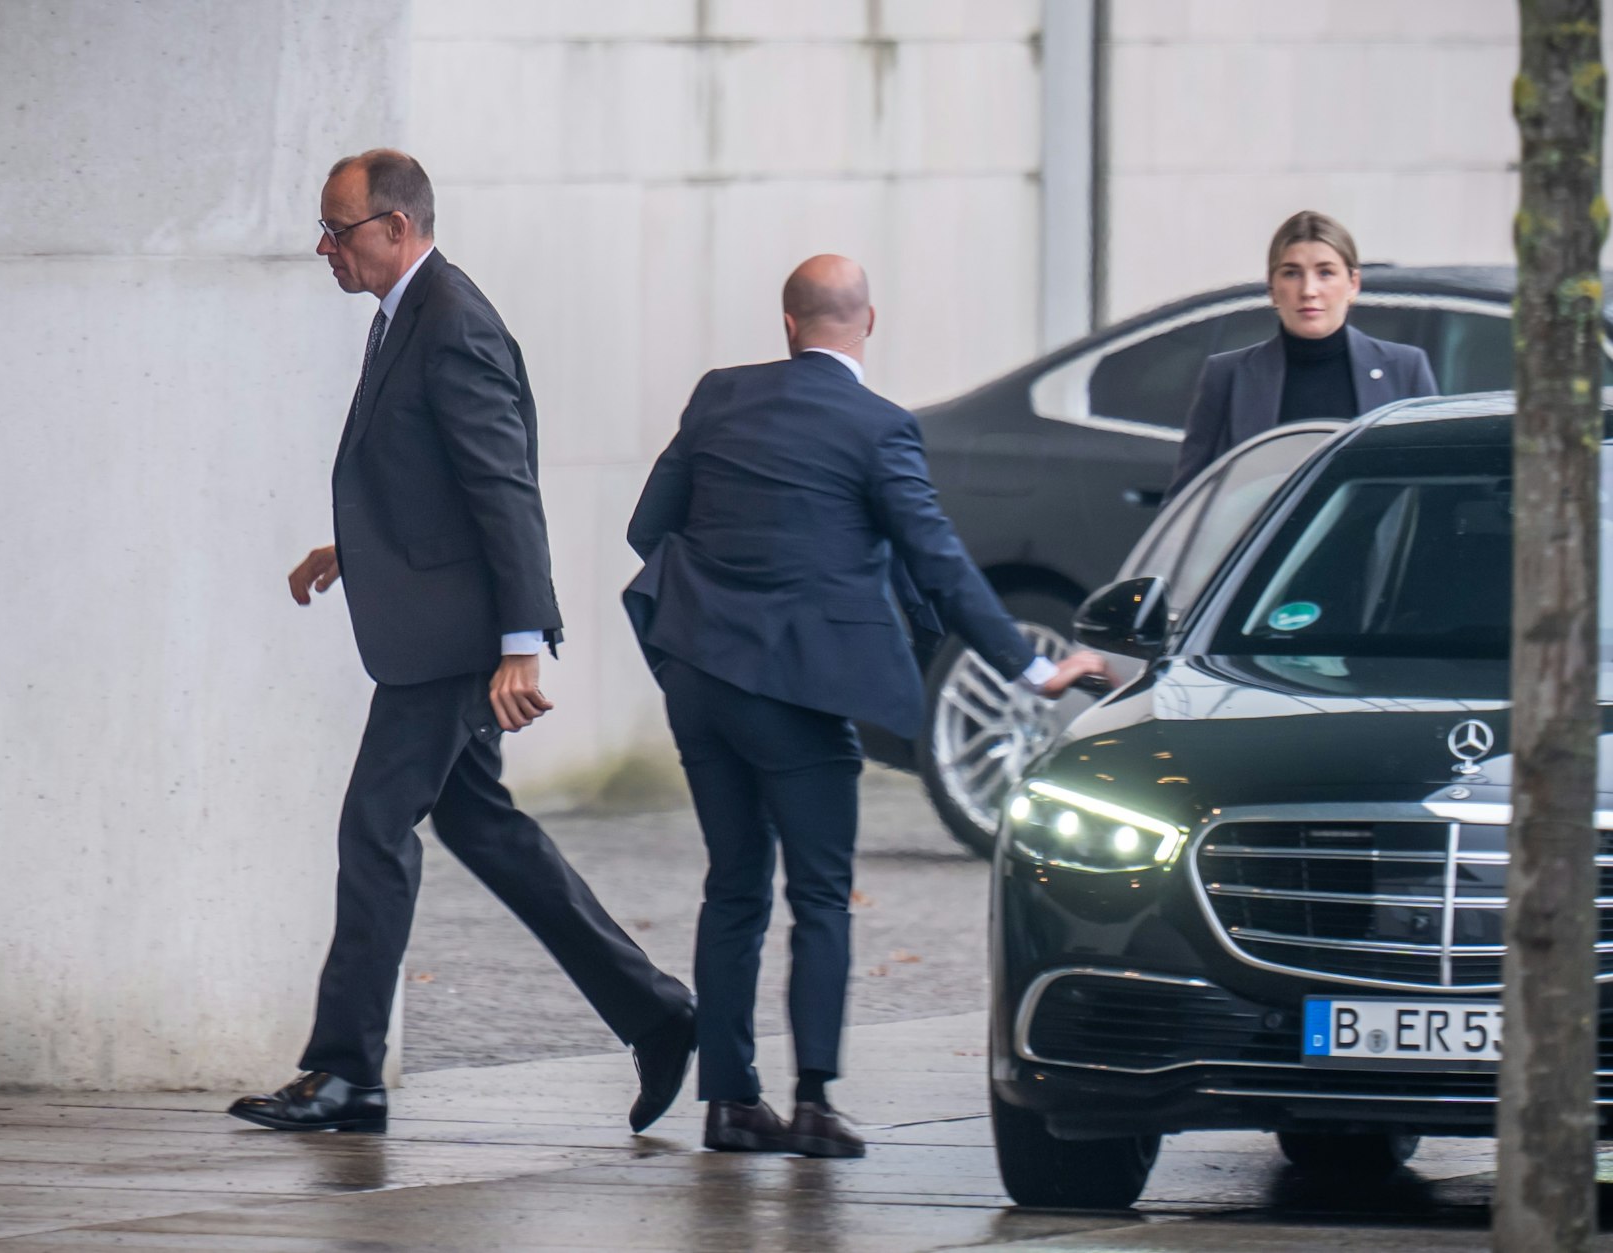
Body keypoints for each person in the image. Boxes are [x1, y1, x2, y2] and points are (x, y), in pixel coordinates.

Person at [230, 150, 695, 1135]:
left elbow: (501, 488)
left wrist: (522, 640)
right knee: (483, 827)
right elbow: (429, 481)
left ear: (396, 226)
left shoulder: (451, 324)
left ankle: (347, 1071)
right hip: (439, 625)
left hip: (451, 645)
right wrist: (349, 549)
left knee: (372, 826)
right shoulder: (409, 313)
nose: (324, 246)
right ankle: (655, 1012)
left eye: (339, 228)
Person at [622, 256, 1107, 1158]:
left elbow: (648, 524)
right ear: (868, 324)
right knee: (819, 896)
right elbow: (940, 562)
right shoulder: (880, 428)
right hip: (801, 695)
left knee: (732, 885)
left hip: (698, 677)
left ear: (787, 323)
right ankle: (812, 1102)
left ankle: (729, 1102)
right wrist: (1032, 669)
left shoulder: (719, 396)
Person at [1165, 210, 1438, 499]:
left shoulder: (1405, 369)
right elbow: (1186, 500)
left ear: (1353, 284)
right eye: (1292, 273)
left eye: (1326, 273)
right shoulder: (1227, 376)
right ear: (1272, 288)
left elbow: (1434, 489)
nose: (1308, 290)